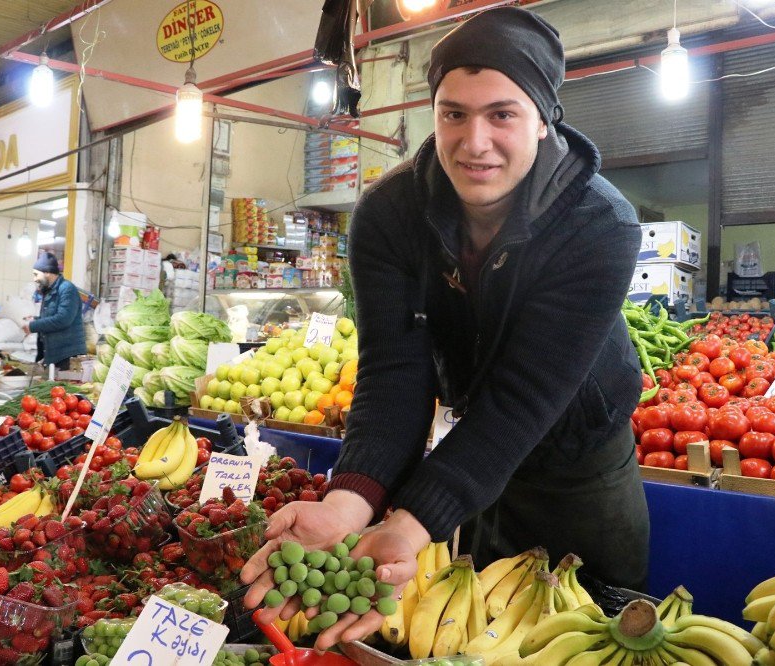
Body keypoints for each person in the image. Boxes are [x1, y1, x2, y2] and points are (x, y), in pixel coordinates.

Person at [241, 6, 649, 648]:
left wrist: (409, 523)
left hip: (580, 458)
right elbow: (393, 375)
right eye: (453, 113)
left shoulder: (598, 224)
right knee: (476, 633)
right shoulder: (388, 216)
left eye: (502, 114)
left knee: (592, 632)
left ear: (543, 120)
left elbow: (524, 399)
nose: (474, 141)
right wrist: (351, 502)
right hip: (469, 456)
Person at [23, 252, 86, 371]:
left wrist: (33, 326)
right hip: (54, 355)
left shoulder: (67, 289)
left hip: (67, 356)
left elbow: (63, 319)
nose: (35, 279)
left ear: (47, 272)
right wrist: (35, 319)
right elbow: (51, 316)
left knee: (64, 388)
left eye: (36, 274)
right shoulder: (49, 291)